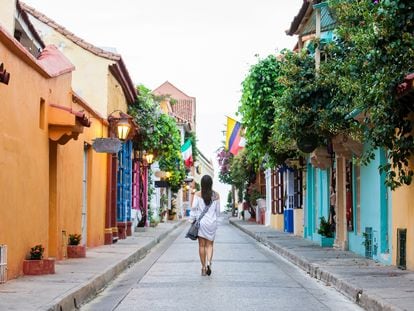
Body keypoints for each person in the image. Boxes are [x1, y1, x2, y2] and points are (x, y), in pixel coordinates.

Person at [189, 175, 220, 276]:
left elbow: (194, 209)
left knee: (201, 246)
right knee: (210, 245)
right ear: (211, 183)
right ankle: (208, 264)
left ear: (202, 183)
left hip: (201, 223)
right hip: (212, 223)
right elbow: (218, 212)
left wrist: (191, 220)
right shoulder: (216, 195)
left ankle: (203, 268)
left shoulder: (197, 194)